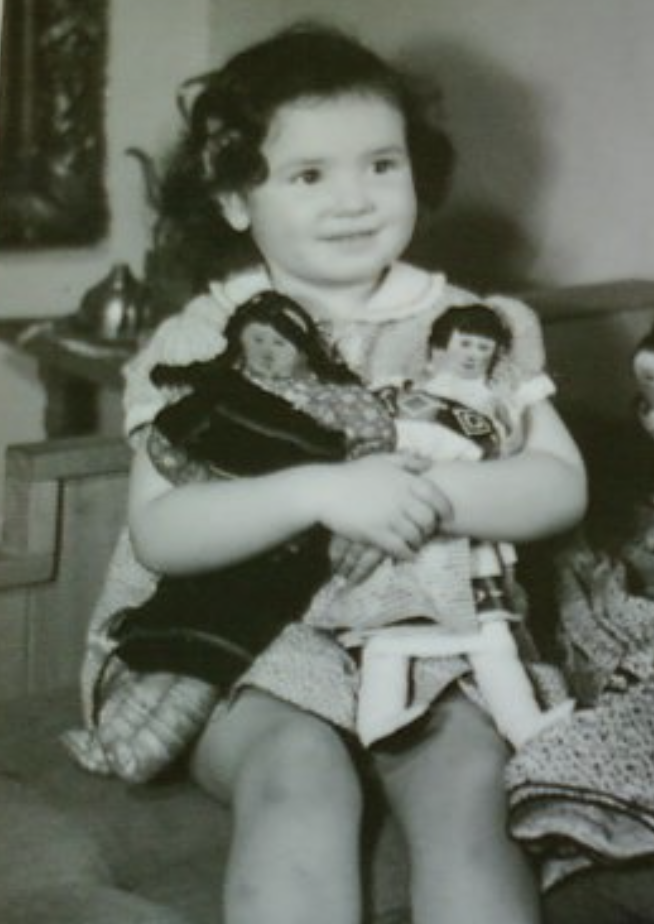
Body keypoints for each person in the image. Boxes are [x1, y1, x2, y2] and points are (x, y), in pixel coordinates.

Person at [73, 23, 586, 924]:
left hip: (420, 626)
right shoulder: (201, 342)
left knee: (469, 775)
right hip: (234, 633)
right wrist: (320, 491)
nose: (354, 199)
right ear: (236, 199)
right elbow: (165, 531)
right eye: (309, 175)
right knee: (299, 773)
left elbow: (558, 485)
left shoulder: (471, 326)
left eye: (381, 165)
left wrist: (424, 495)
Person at [305, 302, 574, 748]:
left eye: (483, 348)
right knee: (389, 641)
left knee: (492, 637)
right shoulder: (396, 394)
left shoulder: (497, 408)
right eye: (464, 344)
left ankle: (525, 724)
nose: (472, 354)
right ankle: (378, 723)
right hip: (400, 536)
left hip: (465, 538)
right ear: (436, 351)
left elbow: (509, 462)